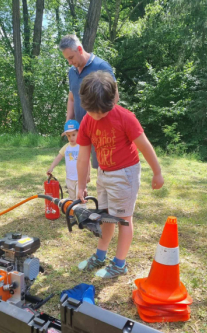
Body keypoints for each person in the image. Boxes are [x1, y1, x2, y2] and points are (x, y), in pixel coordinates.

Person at [76, 71, 164, 279]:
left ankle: (119, 264)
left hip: (125, 174)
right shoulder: (88, 120)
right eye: (92, 111)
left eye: (101, 113)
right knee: (106, 215)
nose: (96, 116)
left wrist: (157, 173)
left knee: (123, 219)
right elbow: (83, 157)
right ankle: (100, 256)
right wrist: (81, 185)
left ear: (114, 98)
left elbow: (145, 147)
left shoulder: (125, 118)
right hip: (104, 174)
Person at [59, 34, 119, 168]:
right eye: (67, 59)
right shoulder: (72, 72)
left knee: (102, 167)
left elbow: (114, 98)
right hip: (80, 130)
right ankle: (80, 189)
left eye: (71, 58)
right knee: (80, 165)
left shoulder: (101, 66)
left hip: (100, 129)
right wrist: (69, 121)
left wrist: (98, 118)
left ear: (79, 49)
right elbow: (71, 98)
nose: (69, 62)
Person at [46, 119, 90, 201]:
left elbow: (87, 161)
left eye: (73, 135)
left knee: (80, 198)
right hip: (69, 178)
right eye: (68, 136)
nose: (71, 138)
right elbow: (58, 157)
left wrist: (88, 175)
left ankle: (82, 212)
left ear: (79, 133)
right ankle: (73, 211)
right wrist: (51, 167)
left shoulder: (81, 146)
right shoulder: (66, 147)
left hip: (80, 178)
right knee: (72, 198)